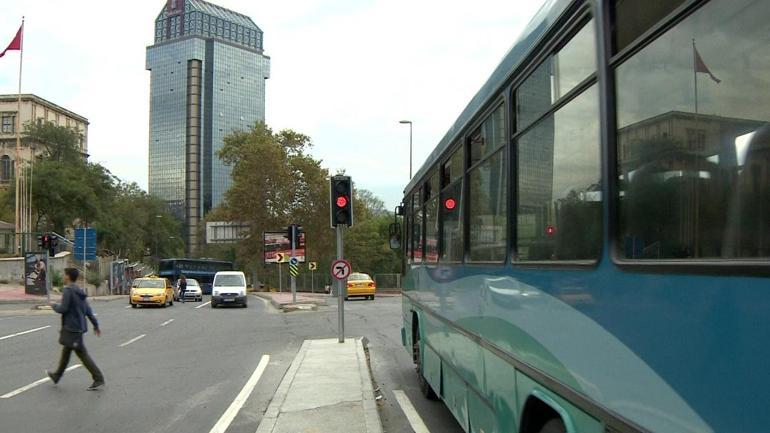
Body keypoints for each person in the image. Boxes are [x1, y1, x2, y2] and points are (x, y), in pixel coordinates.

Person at [47, 268, 105, 391]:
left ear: (68, 276)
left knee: (82, 354)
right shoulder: (79, 291)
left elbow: (63, 308)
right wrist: (95, 325)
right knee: (66, 352)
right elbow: (88, 310)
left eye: (64, 274)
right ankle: (57, 375)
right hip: (77, 327)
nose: (63, 276)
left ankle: (98, 378)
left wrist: (53, 305)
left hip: (72, 328)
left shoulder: (68, 291)